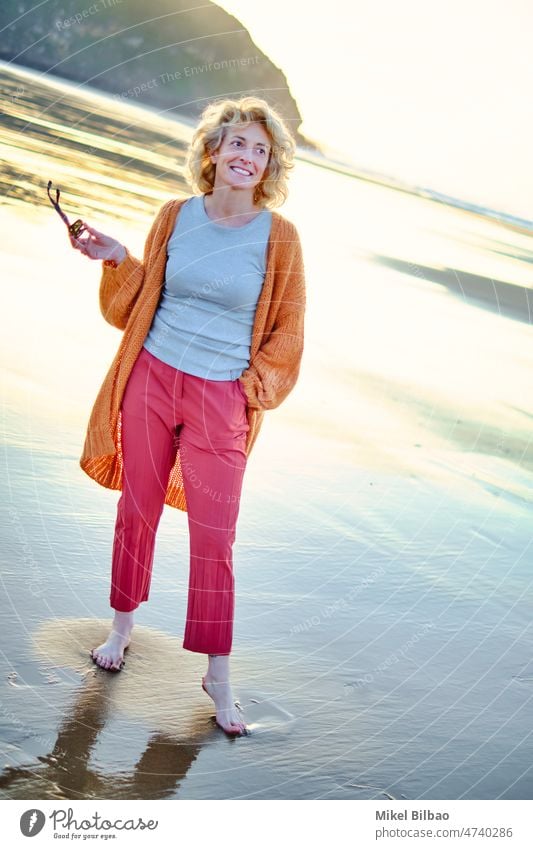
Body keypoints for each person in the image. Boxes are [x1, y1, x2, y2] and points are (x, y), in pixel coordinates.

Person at [71, 96, 306, 736]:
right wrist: (118, 257)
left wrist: (249, 388)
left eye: (260, 149)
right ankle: (121, 629)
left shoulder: (279, 237)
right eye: (237, 144)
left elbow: (288, 331)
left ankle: (219, 676)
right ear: (212, 151)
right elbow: (140, 302)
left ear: (270, 164)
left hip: (221, 399)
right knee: (137, 507)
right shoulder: (175, 216)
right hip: (150, 378)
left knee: (215, 538)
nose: (248, 157)